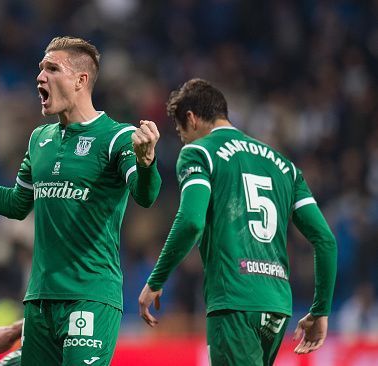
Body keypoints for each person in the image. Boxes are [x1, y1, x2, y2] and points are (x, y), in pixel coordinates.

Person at [0, 36, 161, 366]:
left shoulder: (117, 138)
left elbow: (145, 195)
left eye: (52, 69)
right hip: (39, 301)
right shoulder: (40, 139)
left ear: (81, 80)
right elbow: (17, 204)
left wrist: (146, 162)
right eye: (40, 68)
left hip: (89, 297)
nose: (40, 76)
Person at [138, 79, 337, 365]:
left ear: (191, 119)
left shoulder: (199, 152)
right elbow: (325, 241)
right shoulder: (285, 166)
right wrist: (320, 310)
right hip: (277, 305)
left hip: (234, 301)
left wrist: (155, 280)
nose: (185, 140)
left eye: (182, 133)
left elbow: (191, 221)